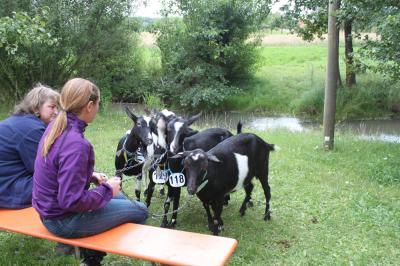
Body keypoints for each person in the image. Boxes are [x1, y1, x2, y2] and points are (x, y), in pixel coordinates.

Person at [32, 78, 148, 266]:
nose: (97, 108)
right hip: (61, 220)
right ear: (89, 106)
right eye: (98, 104)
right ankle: (92, 260)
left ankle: (90, 256)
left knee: (124, 201)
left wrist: (90, 176)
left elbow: (59, 169)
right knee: (140, 210)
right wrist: (108, 189)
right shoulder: (77, 144)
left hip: (49, 211)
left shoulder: (56, 125)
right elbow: (70, 200)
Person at [0, 84, 59, 209]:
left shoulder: (20, 121)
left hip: (6, 184)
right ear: (36, 107)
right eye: (52, 107)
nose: (56, 112)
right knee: (64, 181)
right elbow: (45, 170)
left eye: (57, 108)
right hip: (8, 190)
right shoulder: (31, 129)